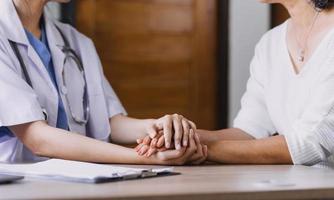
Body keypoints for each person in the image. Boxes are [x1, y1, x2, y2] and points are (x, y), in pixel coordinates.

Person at [0, 0, 208, 165]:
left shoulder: (75, 41)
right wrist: (146, 157)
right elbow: (37, 138)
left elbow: (110, 122)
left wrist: (157, 128)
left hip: (78, 182)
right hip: (22, 186)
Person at [137, 0, 334, 168]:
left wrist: (201, 149)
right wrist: (178, 138)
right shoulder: (270, 43)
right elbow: (248, 131)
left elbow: (309, 142)